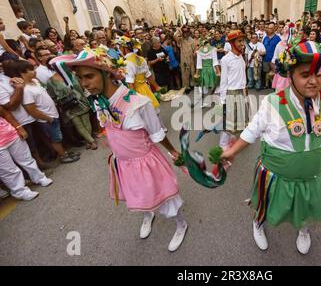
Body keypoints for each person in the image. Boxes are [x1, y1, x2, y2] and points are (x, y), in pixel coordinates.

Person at [220, 40, 321, 254]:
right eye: (305, 74)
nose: (313, 81)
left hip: (311, 176)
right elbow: (252, 130)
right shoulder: (272, 102)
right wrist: (232, 151)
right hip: (275, 175)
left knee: (306, 207)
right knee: (265, 203)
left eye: (318, 74)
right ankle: (258, 223)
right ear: (290, 75)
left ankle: (304, 229)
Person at [53, 49, 188, 251]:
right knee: (138, 194)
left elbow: (157, 133)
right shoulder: (98, 102)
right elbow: (107, 127)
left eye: (89, 76)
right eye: (80, 78)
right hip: (123, 162)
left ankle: (180, 224)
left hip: (146, 161)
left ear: (107, 73)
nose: (84, 83)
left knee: (165, 197)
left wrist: (173, 151)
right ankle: (147, 213)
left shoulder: (139, 103)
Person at [6, 60, 80, 163]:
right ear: (22, 73)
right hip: (46, 119)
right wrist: (48, 118)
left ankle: (65, 152)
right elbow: (31, 110)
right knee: (55, 139)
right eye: (31, 70)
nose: (35, 71)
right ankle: (63, 156)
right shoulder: (26, 90)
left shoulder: (35, 82)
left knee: (58, 136)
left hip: (53, 114)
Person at [0, 106, 52, 200]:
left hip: (11, 135)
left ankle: (39, 178)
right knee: (9, 171)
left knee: (26, 159)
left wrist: (19, 127)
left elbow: (5, 113)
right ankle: (20, 192)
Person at [219, 30, 249, 148]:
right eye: (239, 41)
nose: (242, 43)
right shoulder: (226, 60)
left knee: (240, 118)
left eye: (243, 40)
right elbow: (223, 81)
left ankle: (233, 138)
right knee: (229, 121)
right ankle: (223, 144)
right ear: (232, 43)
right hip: (232, 93)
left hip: (242, 91)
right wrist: (223, 100)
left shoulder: (241, 56)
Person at [195, 40, 220, 107]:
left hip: (203, 70)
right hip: (211, 70)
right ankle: (211, 98)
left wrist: (196, 73)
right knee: (214, 84)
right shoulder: (213, 49)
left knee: (202, 86)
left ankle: (203, 102)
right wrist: (218, 71)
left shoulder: (199, 51)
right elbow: (215, 62)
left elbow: (199, 64)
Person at [174, 26, 196, 94]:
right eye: (184, 32)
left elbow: (194, 48)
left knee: (192, 72)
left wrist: (194, 52)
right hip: (184, 58)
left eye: (187, 32)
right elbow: (175, 36)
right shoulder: (180, 40)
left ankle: (192, 84)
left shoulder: (192, 40)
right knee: (185, 73)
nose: (186, 33)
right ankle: (186, 87)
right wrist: (180, 29)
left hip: (191, 58)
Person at [262, 23, 281, 90]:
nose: (268, 29)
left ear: (273, 29)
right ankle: (268, 85)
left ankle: (274, 86)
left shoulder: (277, 38)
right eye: (268, 28)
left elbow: (280, 48)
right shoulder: (265, 38)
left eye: (270, 28)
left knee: (274, 73)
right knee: (267, 72)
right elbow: (262, 46)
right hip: (266, 58)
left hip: (274, 59)